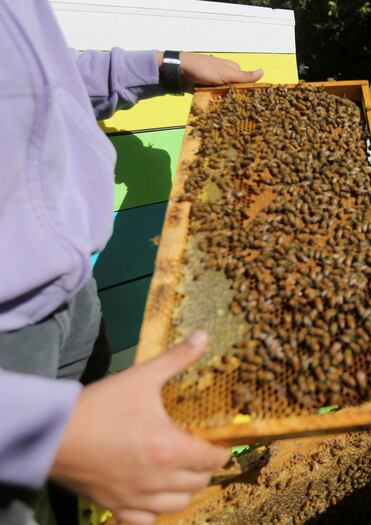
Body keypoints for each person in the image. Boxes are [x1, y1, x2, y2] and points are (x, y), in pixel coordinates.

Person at [0, 1, 267, 524]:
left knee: (73, 500)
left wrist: (165, 65)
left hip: (74, 294)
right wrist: (38, 429)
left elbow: (40, 76)